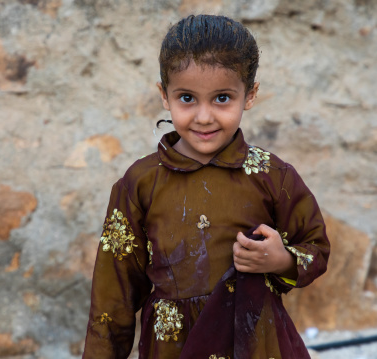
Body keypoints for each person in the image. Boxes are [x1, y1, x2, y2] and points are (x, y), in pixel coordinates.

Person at [82, 14, 330, 359]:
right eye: (187, 98)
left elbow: (316, 249)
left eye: (222, 98)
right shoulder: (139, 183)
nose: (203, 117)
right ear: (164, 96)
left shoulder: (273, 176)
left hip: (254, 341)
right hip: (173, 347)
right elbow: (114, 295)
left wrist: (281, 260)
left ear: (250, 95)